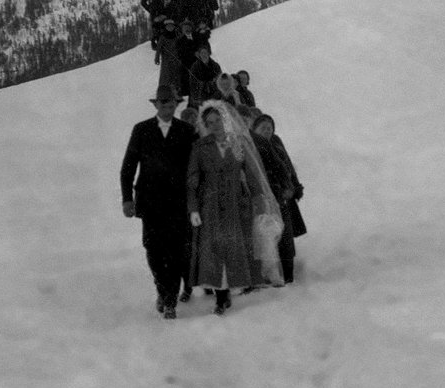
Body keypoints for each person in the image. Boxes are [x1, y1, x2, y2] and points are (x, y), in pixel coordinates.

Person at [187, 102, 284, 314]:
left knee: (232, 247)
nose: (214, 125)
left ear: (225, 120)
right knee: (215, 249)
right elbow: (193, 179)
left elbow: (250, 174)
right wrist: (193, 208)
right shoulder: (200, 147)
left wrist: (259, 199)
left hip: (235, 203)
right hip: (210, 204)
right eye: (209, 122)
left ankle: (229, 289)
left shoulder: (238, 143)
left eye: (218, 120)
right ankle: (221, 296)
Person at [120, 85, 198, 319]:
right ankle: (162, 290)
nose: (167, 107)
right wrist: (127, 199)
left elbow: (196, 166)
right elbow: (128, 166)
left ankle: (170, 300)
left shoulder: (186, 130)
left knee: (175, 251)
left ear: (177, 105)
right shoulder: (141, 130)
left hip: (177, 203)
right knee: (153, 249)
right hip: (150, 203)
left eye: (171, 103)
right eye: (163, 103)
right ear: (156, 105)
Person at [250, 114, 306, 284]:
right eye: (263, 128)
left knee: (285, 235)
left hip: (281, 196)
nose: (267, 131)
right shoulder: (251, 145)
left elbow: (287, 165)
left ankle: (288, 274)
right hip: (263, 198)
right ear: (255, 129)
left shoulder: (276, 142)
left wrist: (294, 186)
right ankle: (268, 274)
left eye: (270, 128)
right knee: (266, 237)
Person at [187, 44, 221, 109]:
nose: (204, 55)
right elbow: (192, 83)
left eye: (205, 53)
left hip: (213, 93)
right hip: (200, 94)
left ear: (209, 54)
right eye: (202, 53)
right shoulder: (195, 67)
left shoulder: (216, 66)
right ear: (199, 55)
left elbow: (219, 80)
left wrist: (212, 84)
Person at [155, 18, 183, 91]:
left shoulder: (177, 36)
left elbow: (181, 46)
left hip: (176, 58)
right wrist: (157, 58)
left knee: (176, 74)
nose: (170, 28)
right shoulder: (163, 37)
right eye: (168, 26)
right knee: (165, 75)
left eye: (171, 26)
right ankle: (164, 89)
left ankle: (177, 89)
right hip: (166, 59)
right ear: (165, 27)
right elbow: (158, 48)